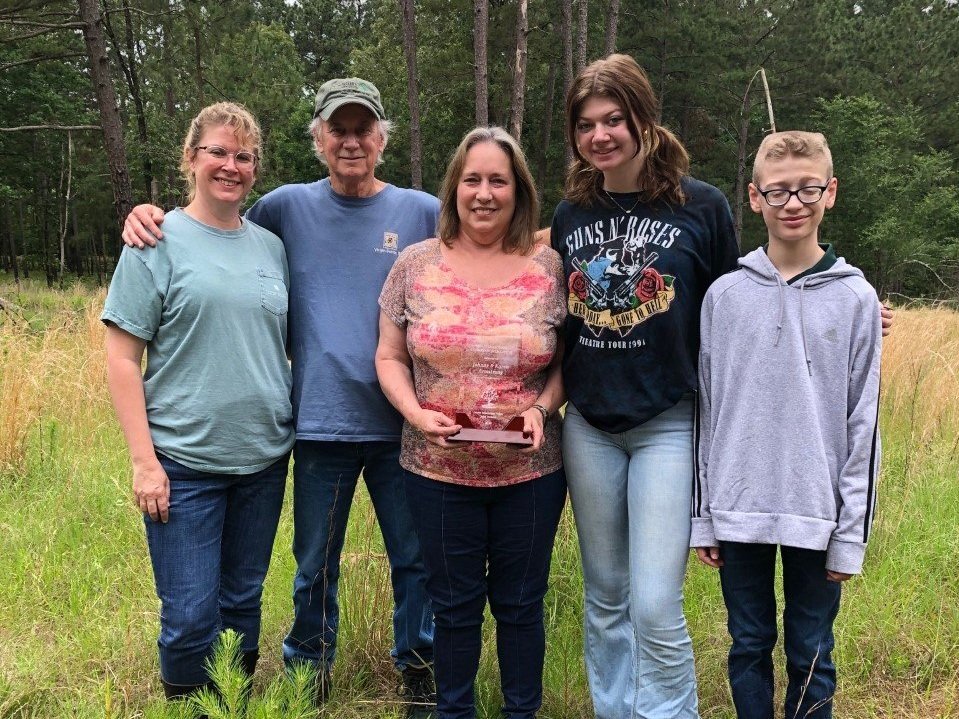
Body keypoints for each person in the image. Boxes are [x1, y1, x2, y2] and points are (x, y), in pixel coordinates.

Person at [121, 78, 437, 713]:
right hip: (318, 425)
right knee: (313, 568)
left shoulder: (423, 211)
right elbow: (212, 229)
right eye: (337, 130)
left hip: (406, 424)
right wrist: (144, 214)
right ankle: (308, 677)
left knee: (417, 561)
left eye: (363, 129)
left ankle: (421, 672)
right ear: (318, 138)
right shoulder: (284, 210)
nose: (351, 141)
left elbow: (497, 235)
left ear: (382, 138)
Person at [549, 54, 738, 719]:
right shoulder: (571, 212)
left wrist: (847, 297)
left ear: (642, 119)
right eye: (585, 124)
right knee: (604, 593)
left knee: (654, 601)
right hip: (589, 424)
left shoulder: (701, 205)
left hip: (666, 420)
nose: (600, 135)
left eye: (613, 120)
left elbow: (734, 308)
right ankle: (614, 709)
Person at [103, 102, 295, 700]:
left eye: (243, 156)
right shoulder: (155, 240)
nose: (230, 165)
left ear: (254, 169)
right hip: (182, 464)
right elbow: (120, 357)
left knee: (242, 603)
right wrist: (144, 462)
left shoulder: (270, 248)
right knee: (189, 615)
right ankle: (189, 709)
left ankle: (230, 705)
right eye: (217, 151)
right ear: (190, 158)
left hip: (264, 459)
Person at [375, 126, 567, 719]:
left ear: (519, 190)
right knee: (452, 607)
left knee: (520, 605)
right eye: (473, 179)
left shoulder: (551, 266)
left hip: (530, 475)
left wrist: (540, 408)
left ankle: (520, 712)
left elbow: (568, 364)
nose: (484, 193)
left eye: (498, 181)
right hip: (434, 472)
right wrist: (414, 412)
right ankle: (451, 711)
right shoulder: (414, 264)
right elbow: (388, 356)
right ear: (454, 187)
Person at [692, 131, 881, 719]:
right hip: (739, 506)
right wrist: (704, 517)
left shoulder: (857, 300)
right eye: (778, 193)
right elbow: (707, 409)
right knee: (748, 645)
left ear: (831, 193)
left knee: (812, 651)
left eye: (807, 190)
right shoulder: (724, 295)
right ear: (754, 198)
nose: (793, 203)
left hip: (817, 513)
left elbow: (863, 422)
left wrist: (850, 534)